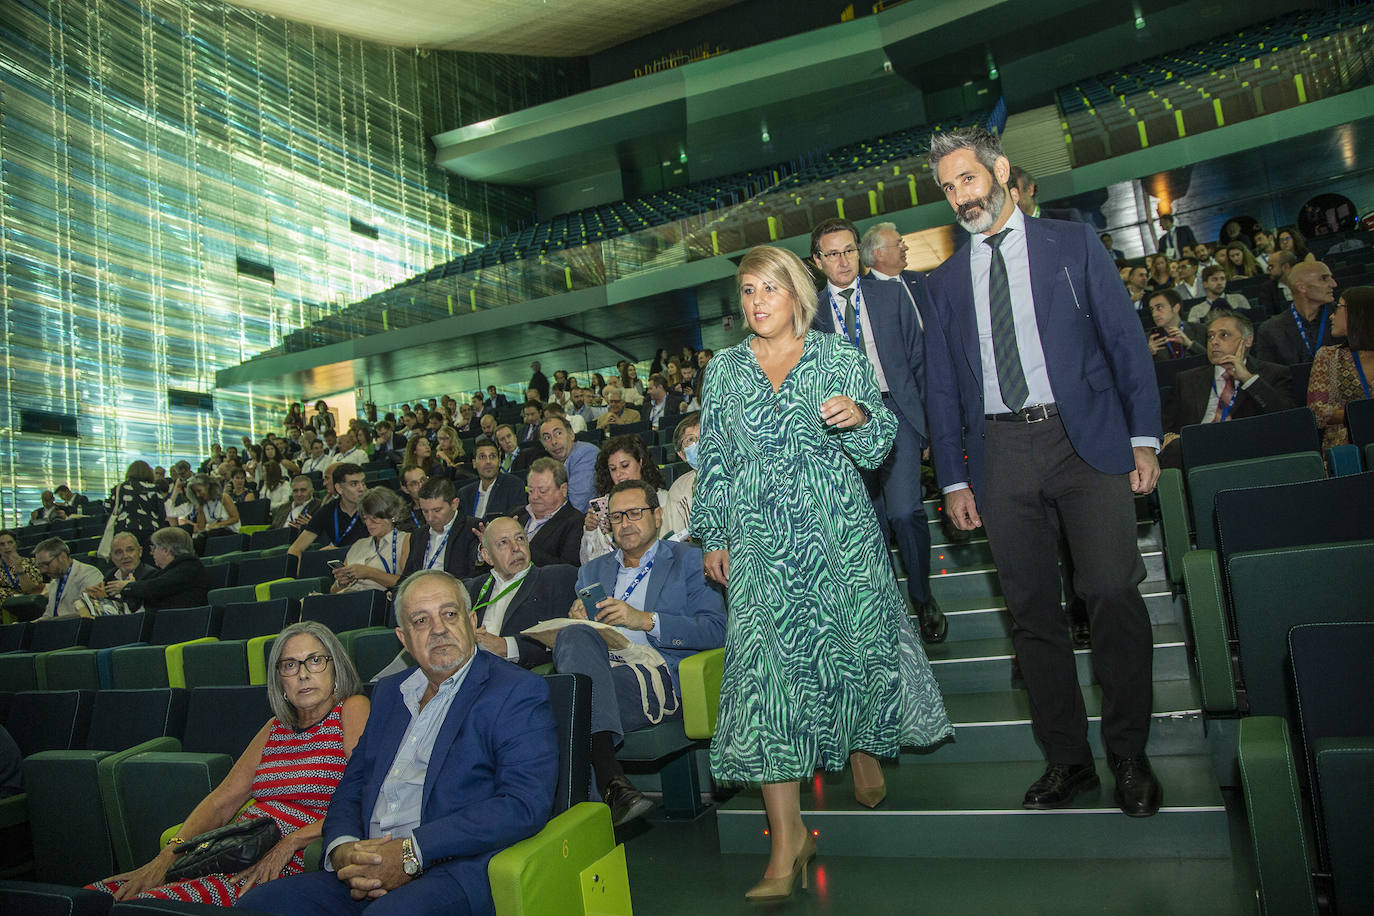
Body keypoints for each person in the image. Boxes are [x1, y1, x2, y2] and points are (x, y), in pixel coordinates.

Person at [692, 245, 952, 900]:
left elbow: (877, 443)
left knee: (850, 654)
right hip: (758, 545)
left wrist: (862, 417)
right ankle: (788, 839)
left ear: (798, 296)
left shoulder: (837, 357)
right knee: (764, 684)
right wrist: (714, 534)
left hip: (836, 534)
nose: (756, 302)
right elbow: (716, 458)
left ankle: (860, 746)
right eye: (748, 291)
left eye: (769, 290)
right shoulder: (723, 372)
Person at [923, 127, 1162, 818]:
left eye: (967, 179)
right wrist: (955, 480)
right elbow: (941, 387)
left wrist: (1143, 436)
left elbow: (1124, 344)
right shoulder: (942, 284)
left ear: (999, 171)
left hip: (1083, 440)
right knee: (1031, 617)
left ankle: (1128, 753)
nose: (959, 197)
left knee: (1112, 589)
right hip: (1000, 454)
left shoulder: (1072, 244)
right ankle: (1068, 761)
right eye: (948, 188)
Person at [238, 571, 558, 916]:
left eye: (449, 615)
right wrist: (343, 847)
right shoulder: (390, 693)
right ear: (403, 638)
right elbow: (353, 784)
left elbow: (523, 803)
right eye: (421, 621)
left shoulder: (516, 691)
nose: (438, 629)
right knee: (259, 904)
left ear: (472, 621)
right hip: (366, 867)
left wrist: (412, 852)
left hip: (451, 868)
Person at [91, 621, 368, 905]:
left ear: (336, 667)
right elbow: (221, 802)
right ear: (280, 681)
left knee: (150, 905)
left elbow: (365, 796)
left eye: (315, 660)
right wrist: (166, 858)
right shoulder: (275, 726)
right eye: (289, 665)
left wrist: (292, 841)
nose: (303, 674)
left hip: (294, 858)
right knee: (97, 897)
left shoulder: (351, 708)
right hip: (234, 851)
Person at [558, 481, 726, 826]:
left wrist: (646, 620)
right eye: (617, 517)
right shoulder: (591, 571)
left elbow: (716, 630)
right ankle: (612, 781)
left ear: (658, 514)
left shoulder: (691, 559)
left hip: (659, 673)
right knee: (573, 637)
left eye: (635, 513)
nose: (626, 523)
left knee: (566, 704)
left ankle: (584, 823)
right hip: (606, 667)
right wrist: (579, 619)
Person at [815, 217, 946, 641]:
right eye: (832, 253)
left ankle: (923, 596)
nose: (843, 260)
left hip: (897, 413)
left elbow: (920, 364)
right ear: (818, 261)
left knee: (905, 511)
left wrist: (926, 428)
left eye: (849, 250)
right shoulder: (810, 313)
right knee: (869, 524)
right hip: (840, 426)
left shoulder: (890, 295)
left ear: (859, 251)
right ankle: (889, 610)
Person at [1159, 312, 1294, 468]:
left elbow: (1287, 418)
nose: (1214, 342)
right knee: (1175, 448)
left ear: (1248, 340)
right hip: (1195, 450)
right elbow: (1166, 425)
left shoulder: (1273, 374)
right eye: (1210, 336)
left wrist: (1248, 379)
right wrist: (1168, 437)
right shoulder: (1186, 379)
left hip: (1248, 449)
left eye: (1224, 335)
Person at [467, 517, 577, 669]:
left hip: (519, 675)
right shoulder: (472, 588)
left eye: (520, 538)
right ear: (487, 556)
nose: (516, 547)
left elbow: (565, 639)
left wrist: (506, 647)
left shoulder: (556, 578)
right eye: (503, 543)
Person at [579, 435, 669, 564]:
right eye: (613, 469)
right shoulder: (605, 507)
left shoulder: (663, 499)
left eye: (625, 465)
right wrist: (590, 531)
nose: (619, 474)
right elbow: (588, 565)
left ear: (640, 462)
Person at [1307, 287, 1374, 448]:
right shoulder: (1328, 356)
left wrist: (1343, 412)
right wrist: (1362, 414)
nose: (1332, 315)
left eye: (1338, 307)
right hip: (1345, 449)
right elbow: (1316, 412)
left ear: (1359, 313)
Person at [1254, 260, 1340, 366]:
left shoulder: (1346, 317)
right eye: (1324, 278)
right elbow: (1269, 376)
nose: (1333, 284)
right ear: (1301, 287)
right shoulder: (1271, 330)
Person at [110, 527, 212, 612]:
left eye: (154, 548)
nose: (151, 553)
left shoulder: (189, 567)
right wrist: (132, 589)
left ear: (166, 550)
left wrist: (128, 586)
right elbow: (136, 603)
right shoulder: (164, 572)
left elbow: (156, 586)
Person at [399, 477, 480, 582]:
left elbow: (476, 576)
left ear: (454, 504)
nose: (430, 518)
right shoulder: (418, 535)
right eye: (425, 511)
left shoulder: (473, 529)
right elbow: (407, 577)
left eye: (437, 510)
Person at [330, 488, 409, 594]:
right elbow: (332, 592)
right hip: (347, 599)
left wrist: (369, 573)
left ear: (392, 515)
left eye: (374, 518)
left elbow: (409, 583)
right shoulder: (358, 545)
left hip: (376, 602)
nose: (368, 523)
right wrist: (341, 583)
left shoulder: (406, 540)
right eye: (365, 518)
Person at [288, 464, 369, 561]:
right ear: (339, 488)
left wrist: (339, 552)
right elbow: (295, 549)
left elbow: (378, 547)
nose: (361, 489)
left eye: (363, 483)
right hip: (343, 567)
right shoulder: (328, 510)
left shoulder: (374, 508)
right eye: (354, 484)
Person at [514, 458, 583, 567]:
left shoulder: (575, 522)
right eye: (531, 490)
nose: (535, 497)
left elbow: (567, 570)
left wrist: (522, 545)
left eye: (543, 491)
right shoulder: (517, 515)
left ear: (563, 489)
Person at [81, 532, 156, 615]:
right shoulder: (110, 576)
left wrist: (130, 589)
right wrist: (96, 599)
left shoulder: (151, 575)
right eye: (118, 552)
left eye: (130, 550)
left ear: (140, 552)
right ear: (111, 557)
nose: (125, 556)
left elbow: (139, 611)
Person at [34, 536, 105, 618]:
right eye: (40, 566)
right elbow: (48, 615)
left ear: (62, 557)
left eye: (46, 564)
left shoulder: (90, 574)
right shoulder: (54, 581)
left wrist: (53, 621)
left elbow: (89, 613)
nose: (43, 570)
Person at [539, 415, 598, 511]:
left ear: (571, 434)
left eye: (558, 433)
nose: (554, 442)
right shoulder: (550, 466)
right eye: (547, 438)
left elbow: (577, 505)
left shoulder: (586, 453)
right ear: (543, 445)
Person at [456, 439, 525, 519]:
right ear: (474, 463)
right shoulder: (464, 493)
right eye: (482, 457)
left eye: (492, 456)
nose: (488, 461)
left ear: (499, 461)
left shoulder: (514, 485)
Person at [111, 460, 166, 551]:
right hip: (150, 529)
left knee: (126, 556)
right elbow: (162, 512)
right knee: (148, 557)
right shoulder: (154, 488)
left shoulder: (120, 488)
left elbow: (109, 507)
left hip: (125, 528)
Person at [661, 412, 700, 538]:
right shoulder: (678, 489)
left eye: (705, 436)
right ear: (682, 455)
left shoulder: (744, 476)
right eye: (690, 439)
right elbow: (670, 542)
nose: (700, 444)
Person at [1146, 289, 1205, 361]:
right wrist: (1148, 355)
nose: (1154, 314)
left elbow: (1212, 361)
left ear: (1176, 308)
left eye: (1159, 307)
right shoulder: (1148, 339)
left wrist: (1190, 345)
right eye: (1152, 309)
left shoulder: (1200, 330)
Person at [186, 474, 241, 550]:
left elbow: (235, 518)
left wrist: (217, 525)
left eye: (199, 491)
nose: (198, 495)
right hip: (213, 534)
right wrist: (200, 511)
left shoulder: (224, 498)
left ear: (207, 486)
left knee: (211, 536)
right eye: (195, 493)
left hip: (230, 532)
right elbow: (201, 528)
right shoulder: (202, 505)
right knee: (196, 541)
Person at [0, 529, 44, 605]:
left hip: (28, 604)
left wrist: (18, 567)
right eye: (2, 544)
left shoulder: (31, 562)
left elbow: (32, 590)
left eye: (10, 542)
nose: (6, 547)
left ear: (16, 544)